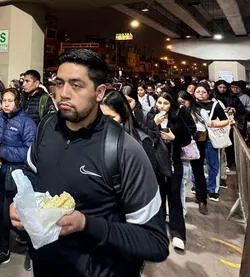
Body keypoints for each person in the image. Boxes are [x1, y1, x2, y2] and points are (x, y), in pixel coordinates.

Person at [10, 49, 169, 276]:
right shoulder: (46, 128)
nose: (63, 93)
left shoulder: (123, 149)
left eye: (76, 85)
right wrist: (21, 205)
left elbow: (155, 243)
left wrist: (87, 224)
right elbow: (31, 174)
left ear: (100, 92)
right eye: (59, 83)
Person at [0, 88, 36, 271]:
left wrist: (3, 151)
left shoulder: (27, 123)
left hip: (17, 174)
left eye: (10, 100)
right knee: (1, 212)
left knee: (23, 214)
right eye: (4, 100)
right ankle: (4, 250)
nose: (5, 104)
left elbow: (29, 152)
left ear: (18, 103)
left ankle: (32, 250)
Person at [147, 92, 191, 251]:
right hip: (155, 163)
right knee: (156, 197)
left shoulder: (176, 118)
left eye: (166, 103)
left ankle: (178, 233)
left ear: (171, 105)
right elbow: (144, 138)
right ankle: (157, 231)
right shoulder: (150, 116)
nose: (161, 106)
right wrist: (153, 124)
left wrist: (175, 138)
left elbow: (187, 138)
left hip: (173, 162)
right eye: (159, 102)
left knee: (174, 196)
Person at [192, 82, 231, 203]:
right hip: (195, 139)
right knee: (196, 164)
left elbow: (225, 121)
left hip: (211, 139)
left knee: (213, 165)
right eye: (198, 91)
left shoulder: (215, 105)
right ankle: (197, 185)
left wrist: (213, 124)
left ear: (208, 92)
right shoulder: (191, 105)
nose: (201, 94)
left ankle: (212, 189)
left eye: (203, 92)